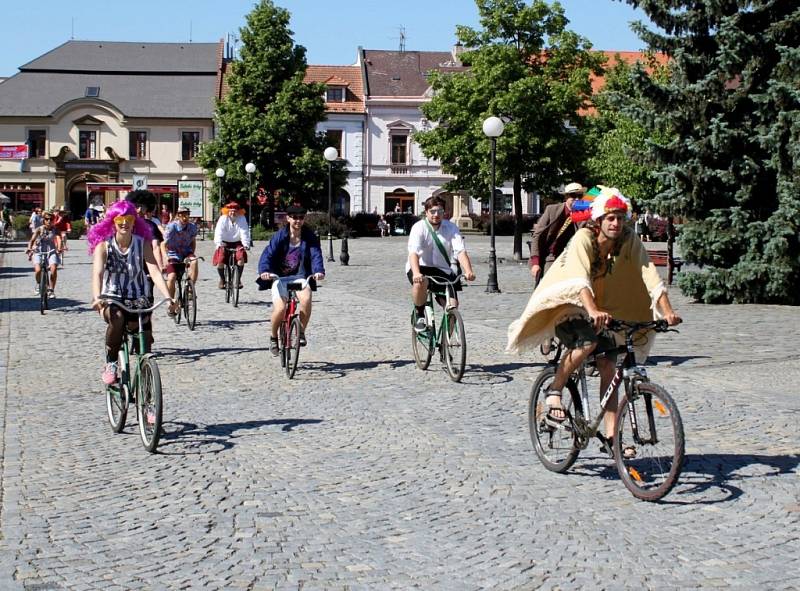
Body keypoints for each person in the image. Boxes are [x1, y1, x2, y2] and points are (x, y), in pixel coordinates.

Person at [507, 188, 682, 455]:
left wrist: (667, 311)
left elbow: (648, 272)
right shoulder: (583, 239)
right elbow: (579, 279)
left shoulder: (628, 239)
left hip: (602, 308)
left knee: (609, 368)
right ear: (598, 220)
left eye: (620, 218)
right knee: (586, 342)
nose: (616, 223)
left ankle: (612, 439)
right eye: (610, 218)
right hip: (569, 304)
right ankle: (555, 389)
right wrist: (592, 309)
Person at [87, 200, 175, 385]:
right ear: (113, 221)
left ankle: (148, 388)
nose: (124, 223)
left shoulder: (142, 244)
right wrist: (97, 297)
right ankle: (111, 362)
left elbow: (154, 271)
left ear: (135, 221)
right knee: (117, 318)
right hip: (112, 297)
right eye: (120, 219)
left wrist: (168, 297)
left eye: (129, 218)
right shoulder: (104, 246)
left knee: (144, 334)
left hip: (138, 297)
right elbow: (97, 273)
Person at [257, 203, 325, 356]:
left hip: (300, 277)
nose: (297, 221)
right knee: (280, 309)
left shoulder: (309, 236)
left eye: (301, 218)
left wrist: (318, 271)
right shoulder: (280, 236)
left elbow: (316, 255)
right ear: (288, 218)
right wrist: (265, 271)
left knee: (306, 301)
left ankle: (300, 331)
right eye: (294, 218)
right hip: (279, 277)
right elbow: (268, 254)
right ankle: (274, 337)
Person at [407, 196, 476, 332]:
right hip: (421, 267)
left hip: (442, 270)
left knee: (453, 306)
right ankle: (419, 314)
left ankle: (446, 343)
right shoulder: (419, 228)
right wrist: (416, 273)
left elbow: (460, 251)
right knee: (420, 283)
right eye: (432, 211)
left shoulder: (451, 228)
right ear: (426, 212)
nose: (436, 215)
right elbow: (413, 252)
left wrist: (468, 271)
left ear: (444, 212)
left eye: (440, 211)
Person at [529, 182, 584, 283]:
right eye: (573, 196)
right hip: (551, 257)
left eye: (579, 196)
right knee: (549, 288)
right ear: (566, 197)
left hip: (572, 259)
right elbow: (537, 235)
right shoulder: (552, 210)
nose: (577, 199)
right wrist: (535, 263)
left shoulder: (583, 214)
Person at [162, 205, 199, 315]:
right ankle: (171, 302)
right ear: (178, 216)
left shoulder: (192, 227)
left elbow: (193, 241)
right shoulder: (171, 227)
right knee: (172, 277)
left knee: (195, 261)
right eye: (182, 214)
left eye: (186, 214)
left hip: (186, 252)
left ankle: (190, 288)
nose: (185, 217)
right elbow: (163, 244)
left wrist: (191, 253)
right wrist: (166, 257)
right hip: (173, 253)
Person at [213, 199, 250, 290]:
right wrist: (219, 243)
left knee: (240, 259)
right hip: (224, 242)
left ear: (238, 212)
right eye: (231, 211)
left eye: (235, 211)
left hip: (237, 242)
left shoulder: (242, 218)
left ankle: (238, 279)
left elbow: (244, 231)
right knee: (220, 261)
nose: (233, 213)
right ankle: (222, 279)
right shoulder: (223, 219)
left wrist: (245, 244)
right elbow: (218, 232)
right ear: (227, 211)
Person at [25, 211, 63, 297]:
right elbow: (32, 240)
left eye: (51, 219)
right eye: (47, 219)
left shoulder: (55, 230)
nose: (49, 221)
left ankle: (51, 290)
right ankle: (39, 284)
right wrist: (29, 248)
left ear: (53, 220)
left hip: (51, 250)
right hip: (39, 250)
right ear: (44, 220)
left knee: (53, 269)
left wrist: (59, 248)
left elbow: (59, 239)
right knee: (38, 270)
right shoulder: (39, 229)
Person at [126, 190, 165, 273]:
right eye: (137, 206)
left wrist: (159, 265)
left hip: (148, 263)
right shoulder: (125, 225)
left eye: (143, 207)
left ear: (147, 208)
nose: (140, 210)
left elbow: (155, 247)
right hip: (128, 264)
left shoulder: (151, 226)